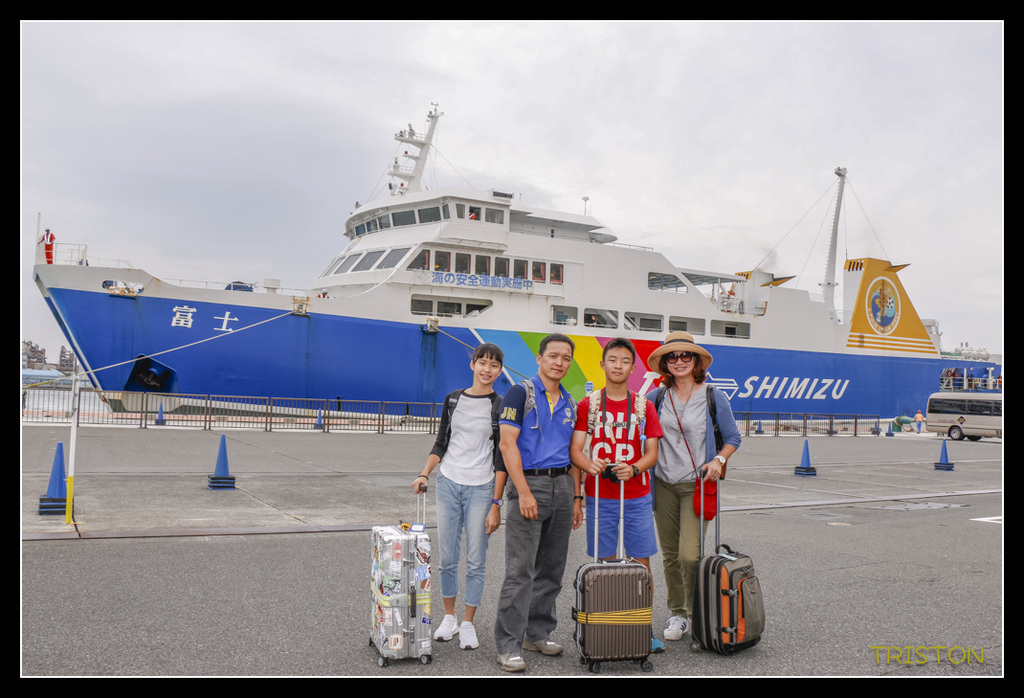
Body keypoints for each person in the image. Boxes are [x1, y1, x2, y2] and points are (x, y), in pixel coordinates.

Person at [569, 338, 665, 653]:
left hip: (636, 495)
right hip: (599, 496)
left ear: (633, 368)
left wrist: (635, 468)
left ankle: (643, 626)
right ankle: (608, 624)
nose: (618, 366)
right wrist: (589, 467)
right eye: (612, 359)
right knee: (605, 564)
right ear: (602, 364)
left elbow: (652, 452)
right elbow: (576, 451)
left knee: (641, 562)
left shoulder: (644, 405)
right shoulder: (590, 405)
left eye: (625, 361)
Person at [493, 333, 581, 672]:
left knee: (552, 569)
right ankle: (509, 644)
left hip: (562, 484)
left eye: (565, 358)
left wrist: (576, 498)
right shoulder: (520, 393)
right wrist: (524, 492)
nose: (559, 362)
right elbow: (506, 445)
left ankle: (537, 631)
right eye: (553, 356)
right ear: (540, 359)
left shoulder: (570, 402)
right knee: (520, 571)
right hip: (530, 483)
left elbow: (574, 454)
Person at [646, 331, 741, 641]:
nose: (679, 361)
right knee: (670, 555)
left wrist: (718, 461)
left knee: (690, 554)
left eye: (686, 355)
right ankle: (677, 614)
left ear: (697, 361)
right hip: (662, 483)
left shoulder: (713, 396)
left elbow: (732, 438)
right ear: (664, 363)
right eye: (672, 356)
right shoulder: (656, 398)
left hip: (696, 486)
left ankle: (693, 610)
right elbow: (632, 420)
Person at [412, 343, 506, 651]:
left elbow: (501, 457)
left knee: (477, 559)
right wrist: (425, 473)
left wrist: (496, 502)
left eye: (494, 365)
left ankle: (468, 623)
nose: (487, 369)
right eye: (482, 362)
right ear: (473, 364)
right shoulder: (453, 399)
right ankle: (449, 617)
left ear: (499, 370)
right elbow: (441, 442)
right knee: (447, 558)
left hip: (482, 485)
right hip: (449, 482)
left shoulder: (500, 405)